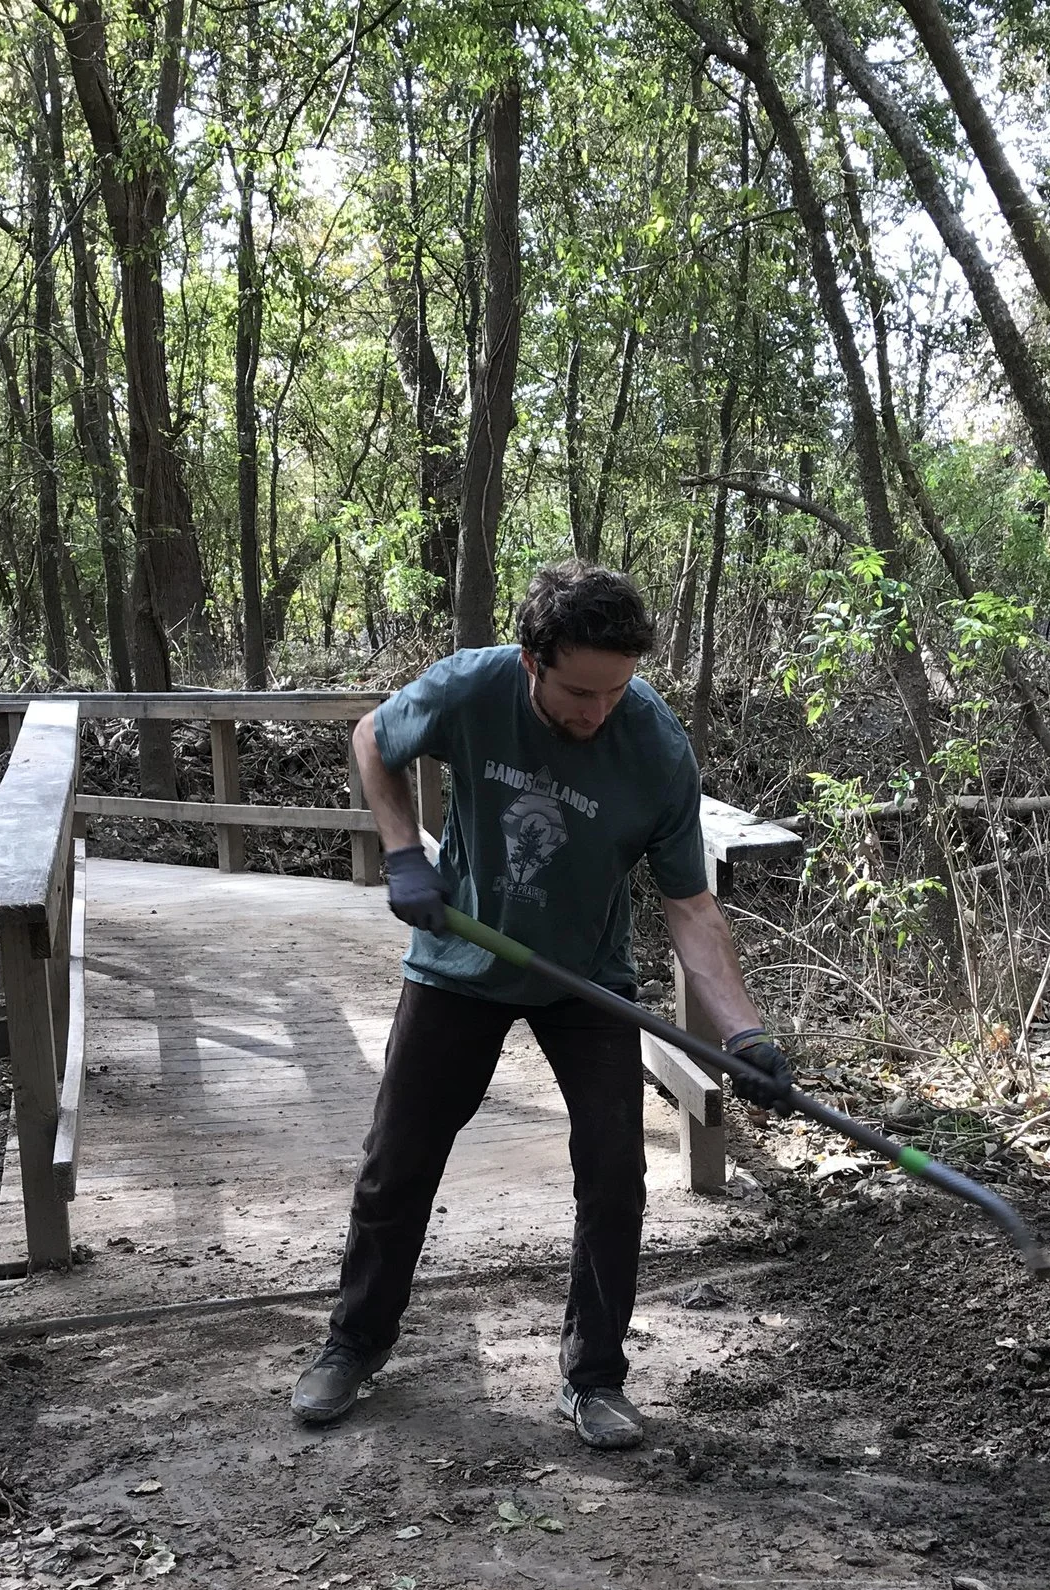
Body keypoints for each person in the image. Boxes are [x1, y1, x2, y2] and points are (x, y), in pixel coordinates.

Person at [290, 561, 790, 1449]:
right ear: (530, 661)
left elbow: (692, 908)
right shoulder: (475, 685)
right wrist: (403, 851)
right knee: (398, 1159)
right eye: (577, 692)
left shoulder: (656, 746)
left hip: (586, 981)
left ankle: (593, 1375)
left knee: (614, 1172)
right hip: (459, 960)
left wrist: (743, 1031)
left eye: (616, 691)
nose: (596, 713)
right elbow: (374, 737)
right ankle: (354, 1342)